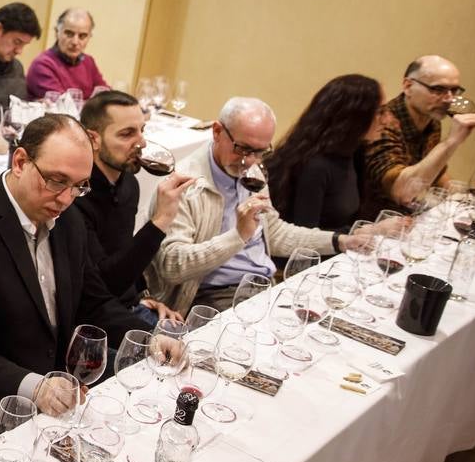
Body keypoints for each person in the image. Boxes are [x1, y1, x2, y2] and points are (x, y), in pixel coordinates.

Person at [0, 114, 145, 444]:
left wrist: (151, 335)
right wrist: (37, 387)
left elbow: (94, 302)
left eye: (79, 186)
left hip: (58, 386)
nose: (66, 198)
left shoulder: (69, 219)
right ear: (20, 162)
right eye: (56, 181)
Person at [149, 97, 352, 314]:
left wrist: (339, 240)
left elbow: (273, 233)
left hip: (265, 283)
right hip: (214, 294)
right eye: (243, 149)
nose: (251, 161)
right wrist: (238, 236)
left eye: (260, 151)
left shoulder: (251, 174)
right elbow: (172, 266)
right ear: (217, 132)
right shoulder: (183, 184)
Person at [72, 91, 196, 327]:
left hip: (127, 304)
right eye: (127, 133)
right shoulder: (77, 196)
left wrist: (143, 295)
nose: (142, 142)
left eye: (142, 130)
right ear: (93, 139)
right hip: (94, 318)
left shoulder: (129, 183)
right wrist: (159, 222)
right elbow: (102, 286)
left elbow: (122, 249)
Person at [360, 56, 475, 218]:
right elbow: (402, 192)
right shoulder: (381, 124)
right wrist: (451, 142)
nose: (449, 99)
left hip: (409, 216)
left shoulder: (431, 118)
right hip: (372, 222)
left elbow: (436, 172)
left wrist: (468, 200)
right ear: (408, 86)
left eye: (454, 90)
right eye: (438, 89)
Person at [268, 74, 383, 230]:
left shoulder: (355, 152)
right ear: (356, 118)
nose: (385, 119)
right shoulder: (315, 166)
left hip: (341, 250)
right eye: (378, 112)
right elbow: (306, 238)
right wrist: (369, 231)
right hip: (314, 252)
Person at [25, 8, 108, 100]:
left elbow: (105, 95)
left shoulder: (88, 61)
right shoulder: (42, 64)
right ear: (57, 32)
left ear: (89, 37)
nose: (75, 42)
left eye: (82, 36)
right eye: (69, 34)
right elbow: (65, 106)